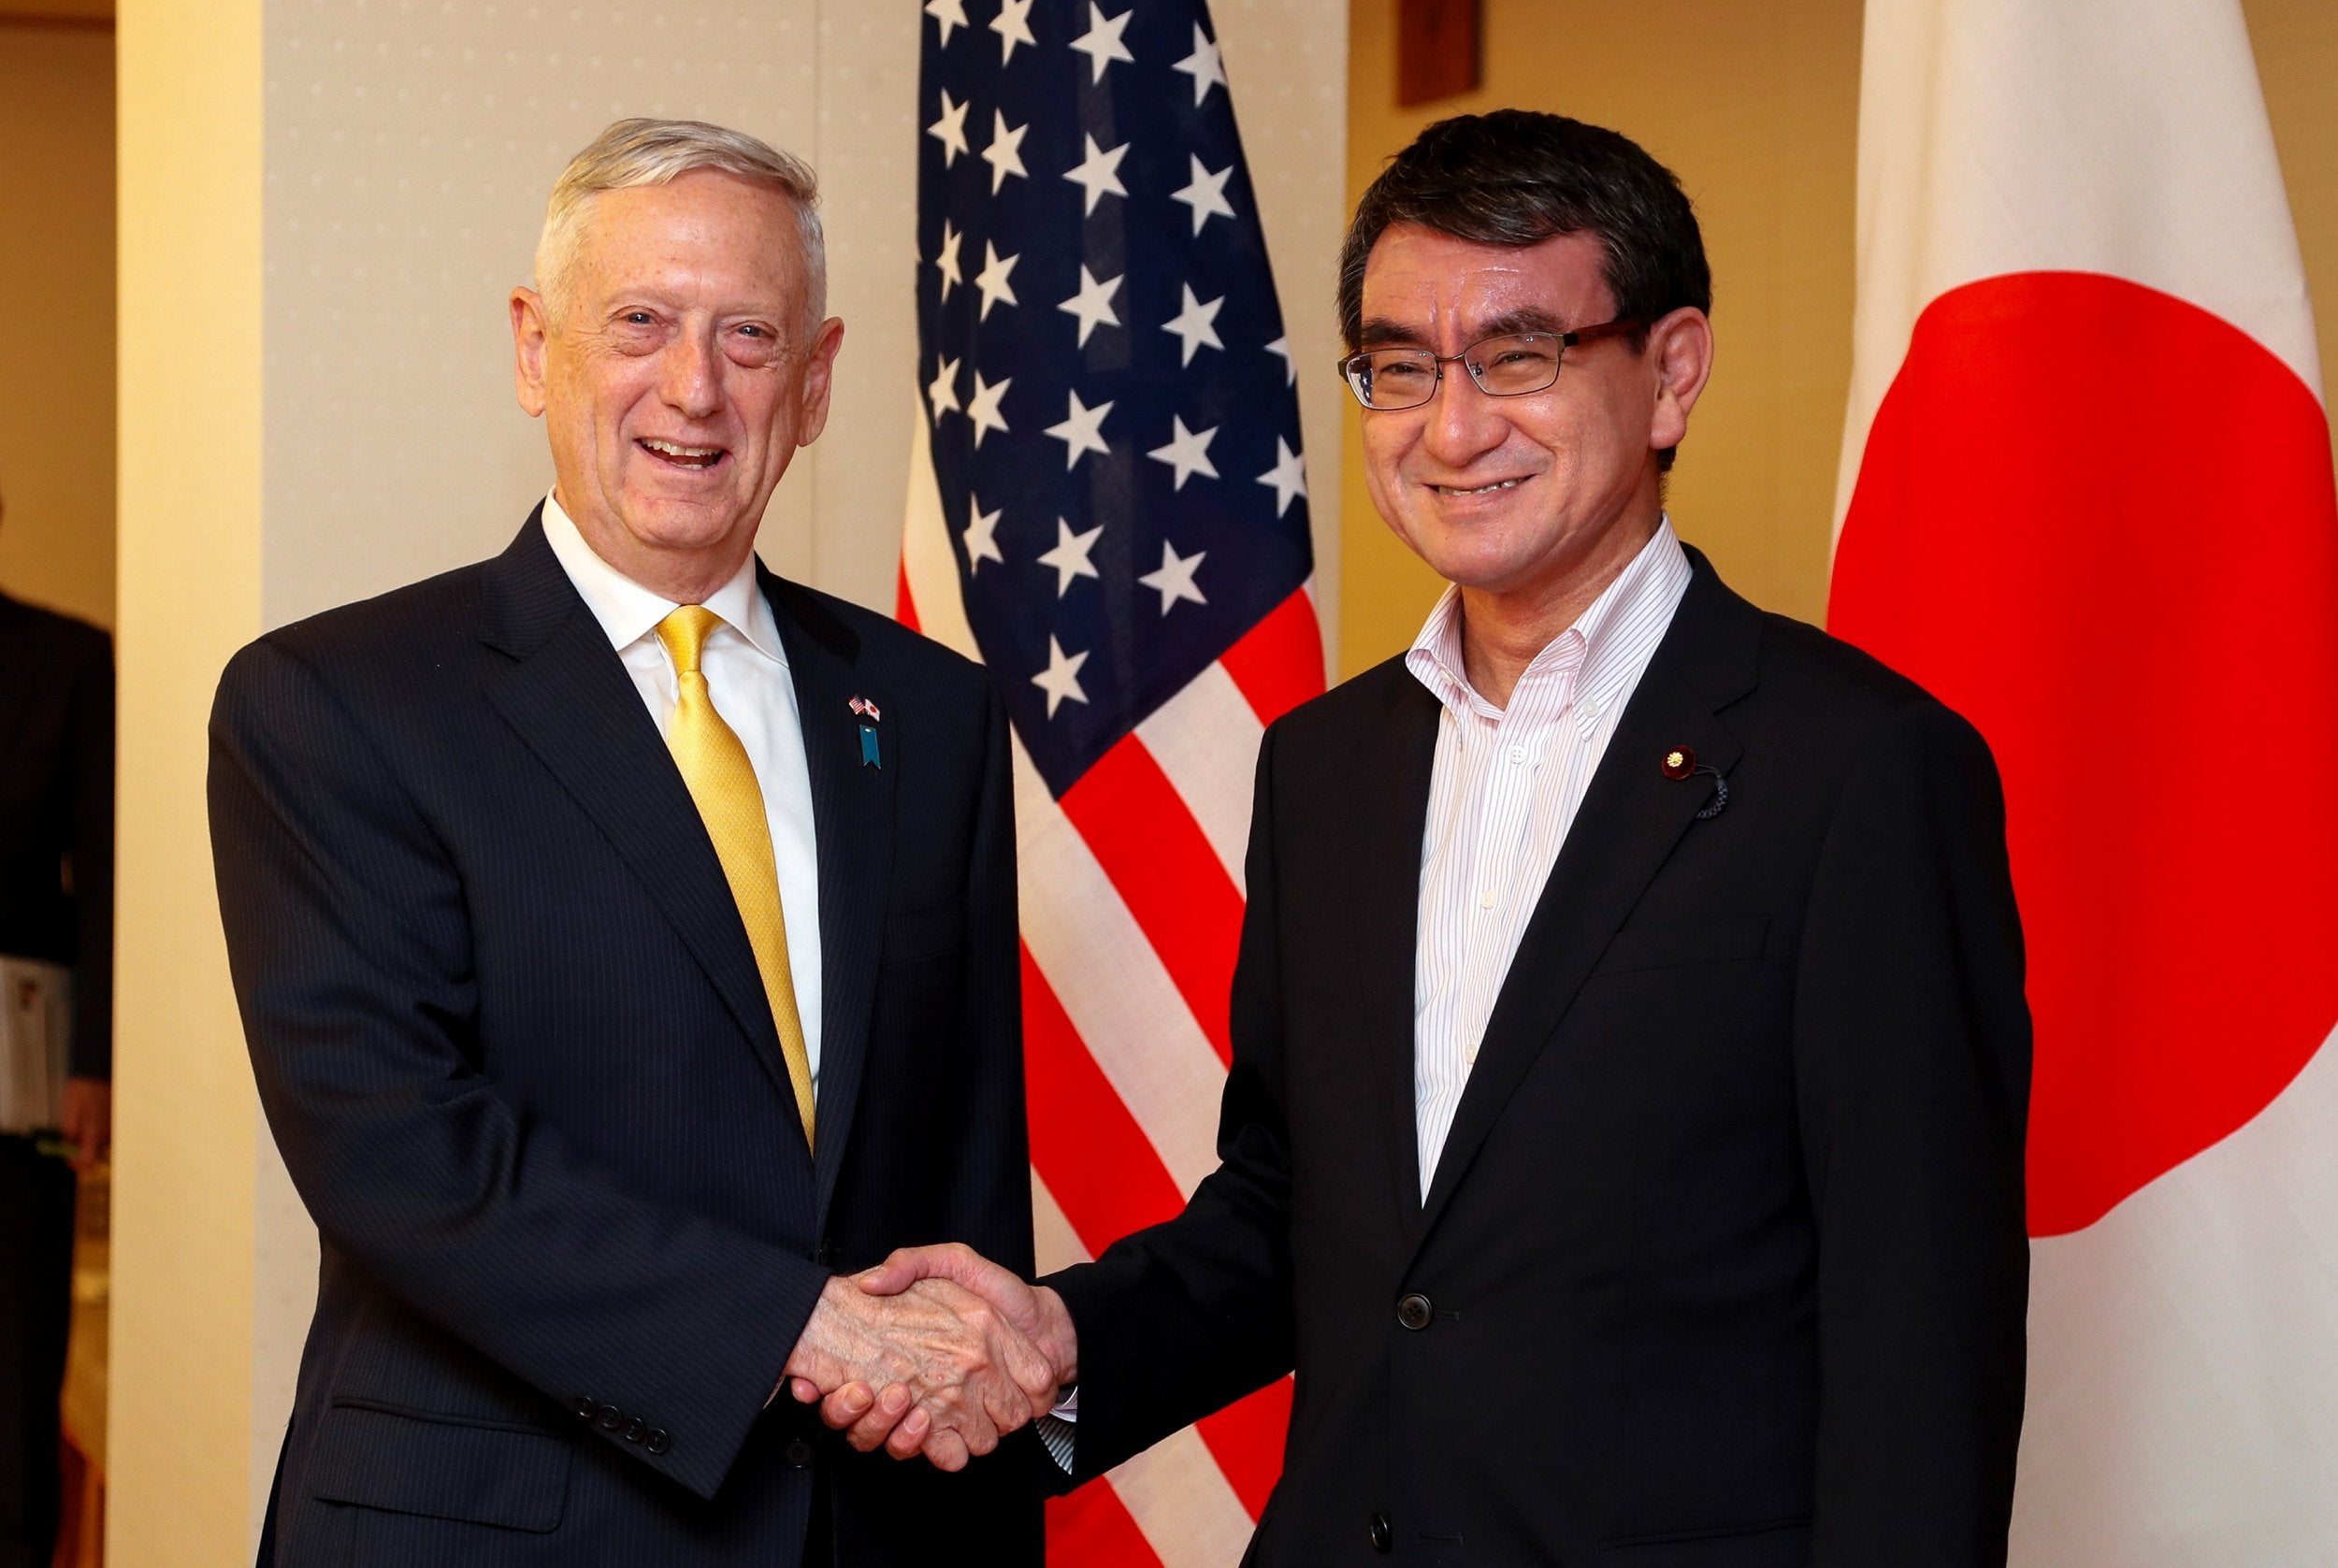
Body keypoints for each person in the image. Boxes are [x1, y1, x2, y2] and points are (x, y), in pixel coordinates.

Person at [841, 110, 2034, 1564]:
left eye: (1519, 356)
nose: (1452, 426)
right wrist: (1058, 1336)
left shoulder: (1861, 768)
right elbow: (1308, 1214)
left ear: (1671, 375)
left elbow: (1924, 1335)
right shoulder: (1329, 764)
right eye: (1401, 366)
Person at [209, 120, 1051, 1566]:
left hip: (869, 1526)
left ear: (818, 379)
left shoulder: (930, 713)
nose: (694, 386)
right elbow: (405, 1156)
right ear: (537, 349)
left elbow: (961, 1174)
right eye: (641, 323)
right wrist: (795, 1321)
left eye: (749, 333)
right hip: (495, 1532)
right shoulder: (337, 702)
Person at [0, 498, 113, 1568]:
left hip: (20, 1073)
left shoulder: (69, 662)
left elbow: (106, 880)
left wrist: (96, 1064)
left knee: (18, 1370)